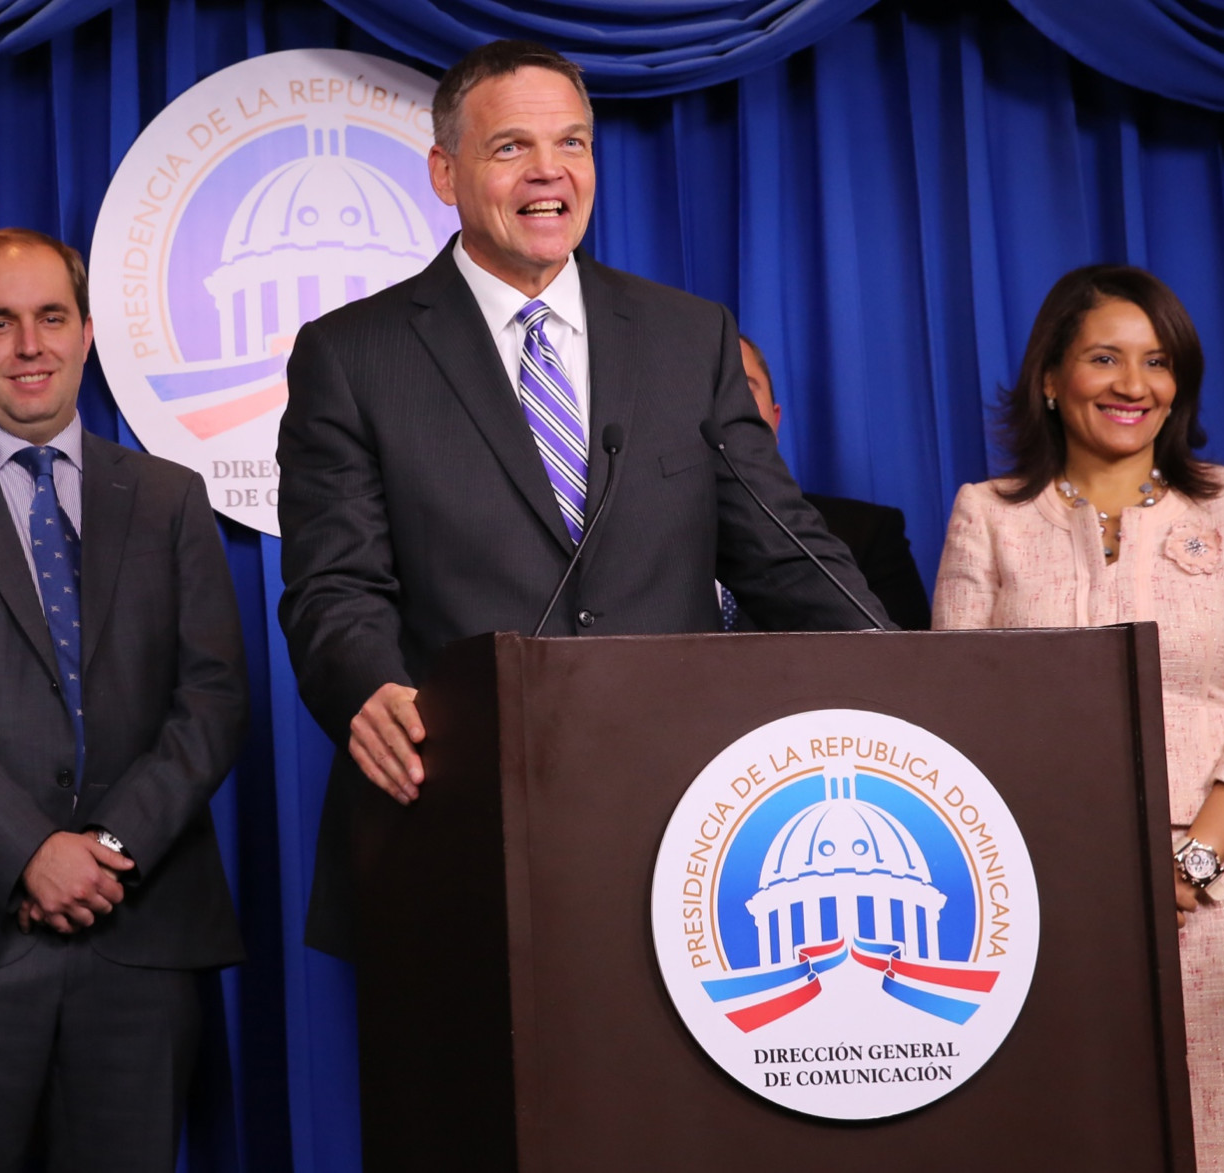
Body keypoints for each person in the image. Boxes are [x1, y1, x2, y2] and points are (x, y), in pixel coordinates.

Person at [277, 39, 886, 958]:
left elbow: (784, 548)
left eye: (572, 142)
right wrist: (370, 689)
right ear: (444, 172)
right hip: (459, 815)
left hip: (684, 823)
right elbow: (335, 585)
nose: (549, 171)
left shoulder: (688, 337)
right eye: (511, 147)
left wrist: (901, 671)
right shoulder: (354, 355)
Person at [0, 227, 247, 1172]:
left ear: (88, 332)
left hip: (142, 930)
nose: (30, 345)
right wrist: (30, 852)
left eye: (52, 318)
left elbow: (213, 698)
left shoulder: (171, 496)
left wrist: (107, 848)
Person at [933, 264, 1224, 1169]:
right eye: (1104, 357)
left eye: (1157, 361)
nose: (1133, 385)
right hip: (1045, 895)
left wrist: (1192, 864)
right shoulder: (987, 517)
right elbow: (959, 718)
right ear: (1050, 376)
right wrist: (1074, 873)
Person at [736, 334, 932, 630]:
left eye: (743, 390)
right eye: (709, 392)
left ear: (775, 420)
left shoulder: (868, 537)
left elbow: (907, 656)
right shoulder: (661, 548)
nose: (726, 409)